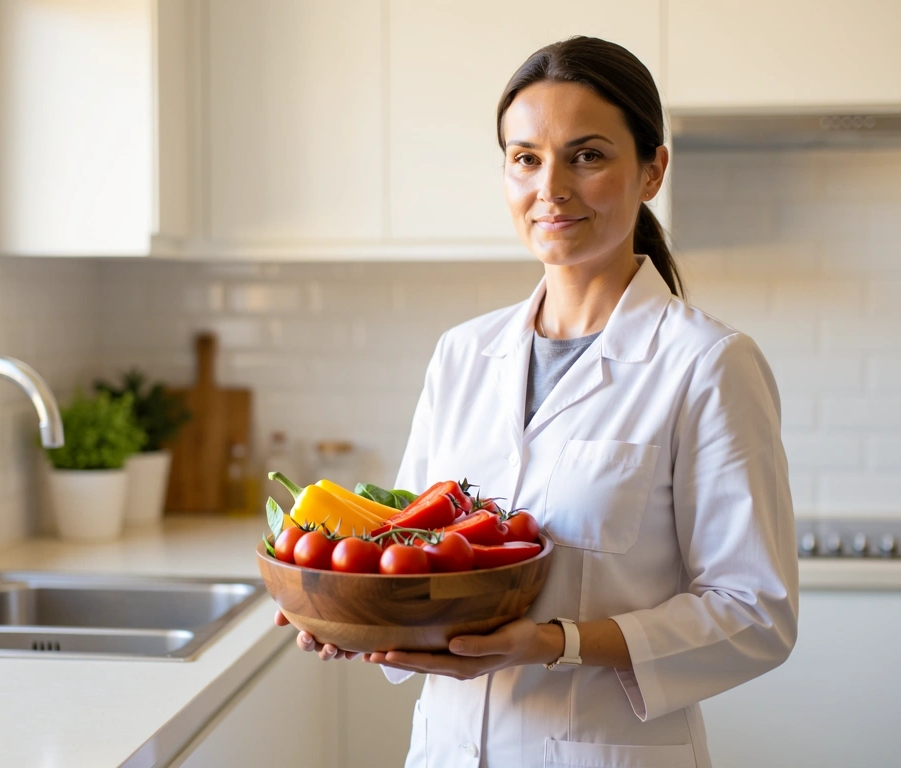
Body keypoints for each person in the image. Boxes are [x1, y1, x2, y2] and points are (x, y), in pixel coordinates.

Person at [275, 35, 797, 767]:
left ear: (652, 171)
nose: (549, 189)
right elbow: (404, 547)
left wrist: (557, 644)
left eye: (588, 156)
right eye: (525, 158)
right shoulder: (463, 354)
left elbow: (755, 614)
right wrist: (352, 615)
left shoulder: (707, 364)